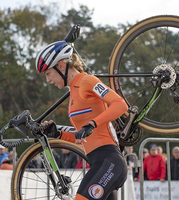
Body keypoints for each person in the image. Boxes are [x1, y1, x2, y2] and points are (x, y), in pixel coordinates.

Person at [36, 41, 128, 200]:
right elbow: (83, 136)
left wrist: (93, 123)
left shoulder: (87, 80)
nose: (48, 80)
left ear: (61, 66)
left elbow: (121, 105)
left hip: (109, 161)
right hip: (98, 163)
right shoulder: (73, 91)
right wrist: (58, 134)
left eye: (48, 73)